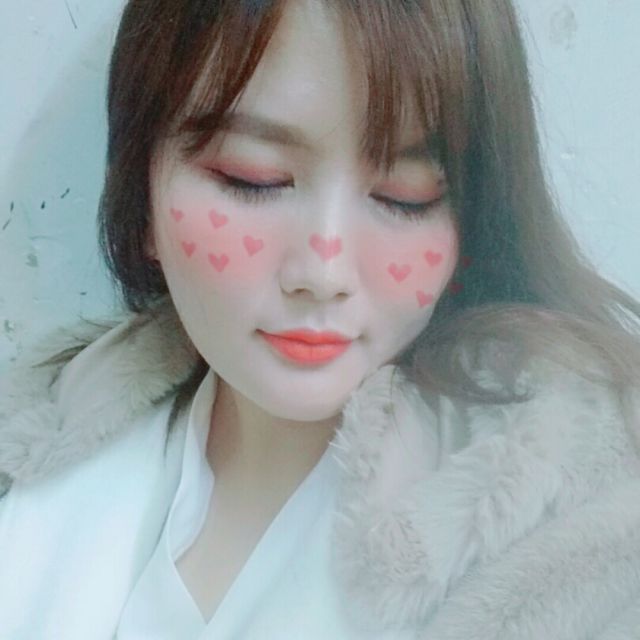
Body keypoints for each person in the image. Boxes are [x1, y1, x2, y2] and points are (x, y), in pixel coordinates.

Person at [2, 0, 640, 637]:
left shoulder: (578, 527)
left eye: (404, 197)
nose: (324, 271)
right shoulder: (39, 455)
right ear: (141, 198)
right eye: (252, 179)